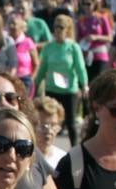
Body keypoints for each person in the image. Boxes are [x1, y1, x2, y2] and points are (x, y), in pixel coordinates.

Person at [33, 14, 88, 147]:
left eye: (61, 27)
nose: (58, 30)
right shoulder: (49, 47)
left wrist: (84, 85)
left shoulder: (73, 47)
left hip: (69, 91)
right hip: (52, 89)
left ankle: (75, 150)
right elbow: (42, 68)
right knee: (49, 123)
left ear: (67, 29)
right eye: (56, 27)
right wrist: (35, 85)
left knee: (70, 124)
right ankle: (49, 150)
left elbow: (80, 68)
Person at [76, 0, 113, 84]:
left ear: (94, 4)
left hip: (100, 55)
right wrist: (83, 40)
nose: (86, 6)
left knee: (100, 81)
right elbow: (77, 39)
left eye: (89, 4)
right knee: (88, 82)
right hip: (86, 54)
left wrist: (96, 37)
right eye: (84, 4)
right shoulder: (80, 21)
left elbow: (110, 37)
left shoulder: (102, 18)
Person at [32, 96, 66, 169]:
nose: (49, 131)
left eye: (53, 125)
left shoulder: (63, 159)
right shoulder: (23, 158)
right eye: (43, 125)